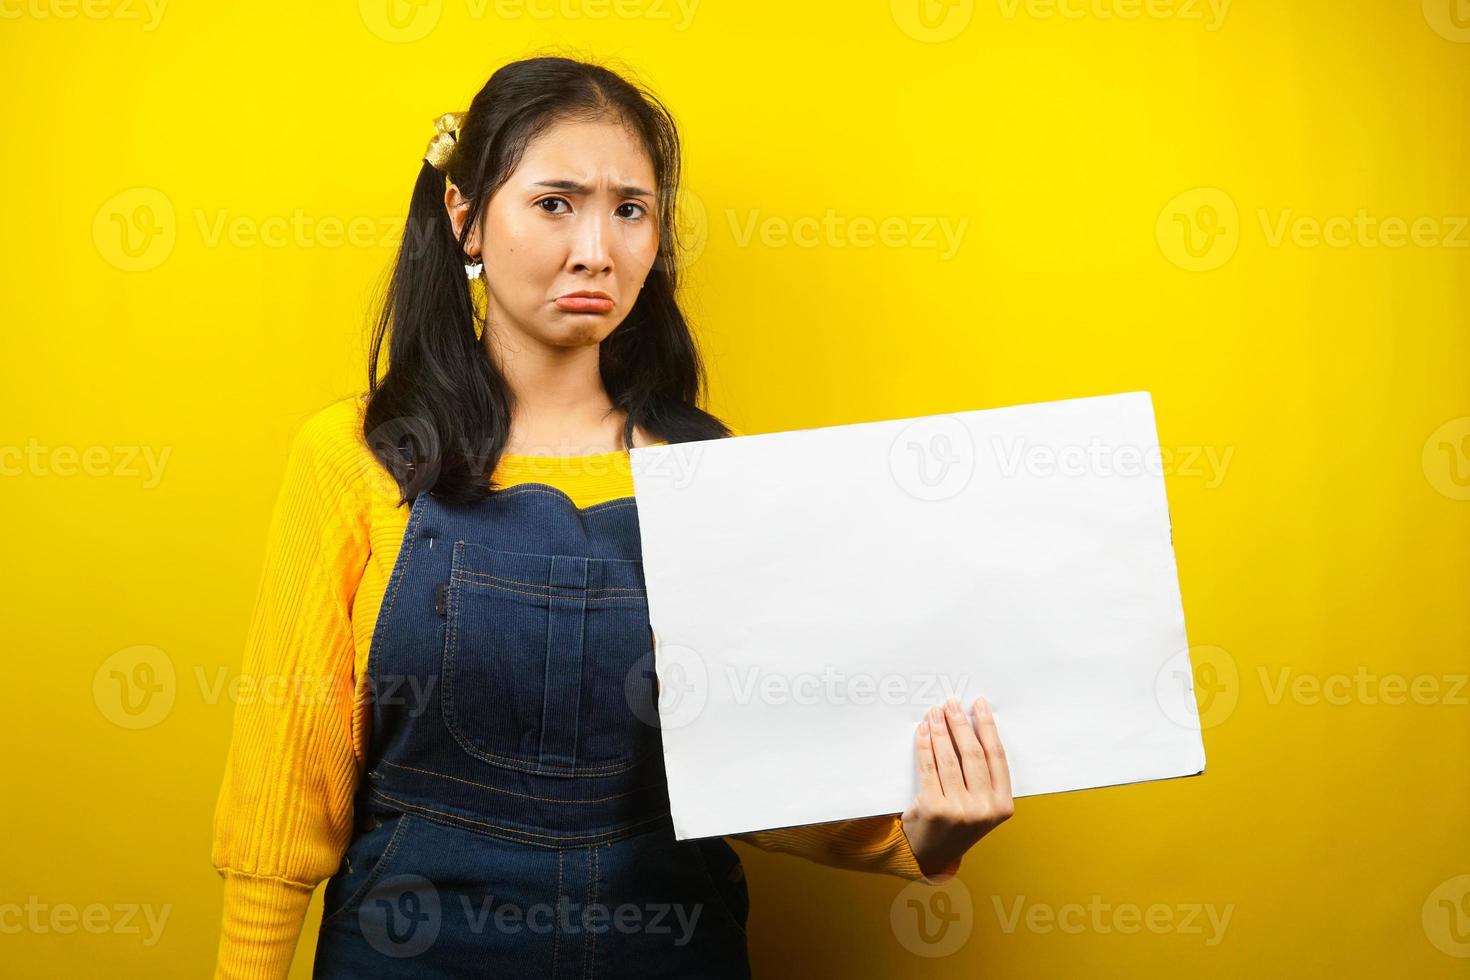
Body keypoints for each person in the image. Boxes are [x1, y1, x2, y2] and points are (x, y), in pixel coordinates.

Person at [210, 54, 1014, 979]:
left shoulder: (713, 469)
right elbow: (284, 788)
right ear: (464, 216)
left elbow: (762, 772)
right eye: (555, 203)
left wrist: (921, 831)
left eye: (629, 209)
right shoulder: (354, 458)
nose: (597, 247)